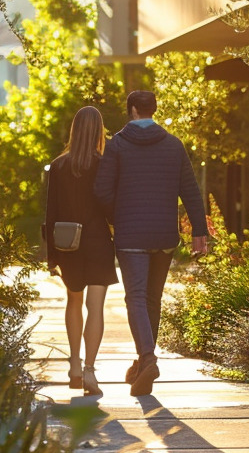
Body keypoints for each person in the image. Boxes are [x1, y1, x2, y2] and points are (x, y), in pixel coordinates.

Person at [94, 90, 208, 396]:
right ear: (153, 110)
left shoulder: (116, 146)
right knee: (152, 299)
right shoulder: (173, 146)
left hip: (131, 235)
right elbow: (191, 191)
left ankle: (147, 358)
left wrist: (119, 216)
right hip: (163, 236)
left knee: (136, 298)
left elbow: (102, 192)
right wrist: (200, 232)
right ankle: (143, 362)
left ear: (132, 110)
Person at [44, 105, 117, 396]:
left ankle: (73, 364)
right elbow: (110, 207)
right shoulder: (104, 165)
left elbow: (51, 213)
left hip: (67, 243)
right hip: (98, 242)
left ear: (74, 130)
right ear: (99, 132)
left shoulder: (59, 166)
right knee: (95, 307)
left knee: (73, 302)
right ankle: (90, 370)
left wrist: (51, 256)